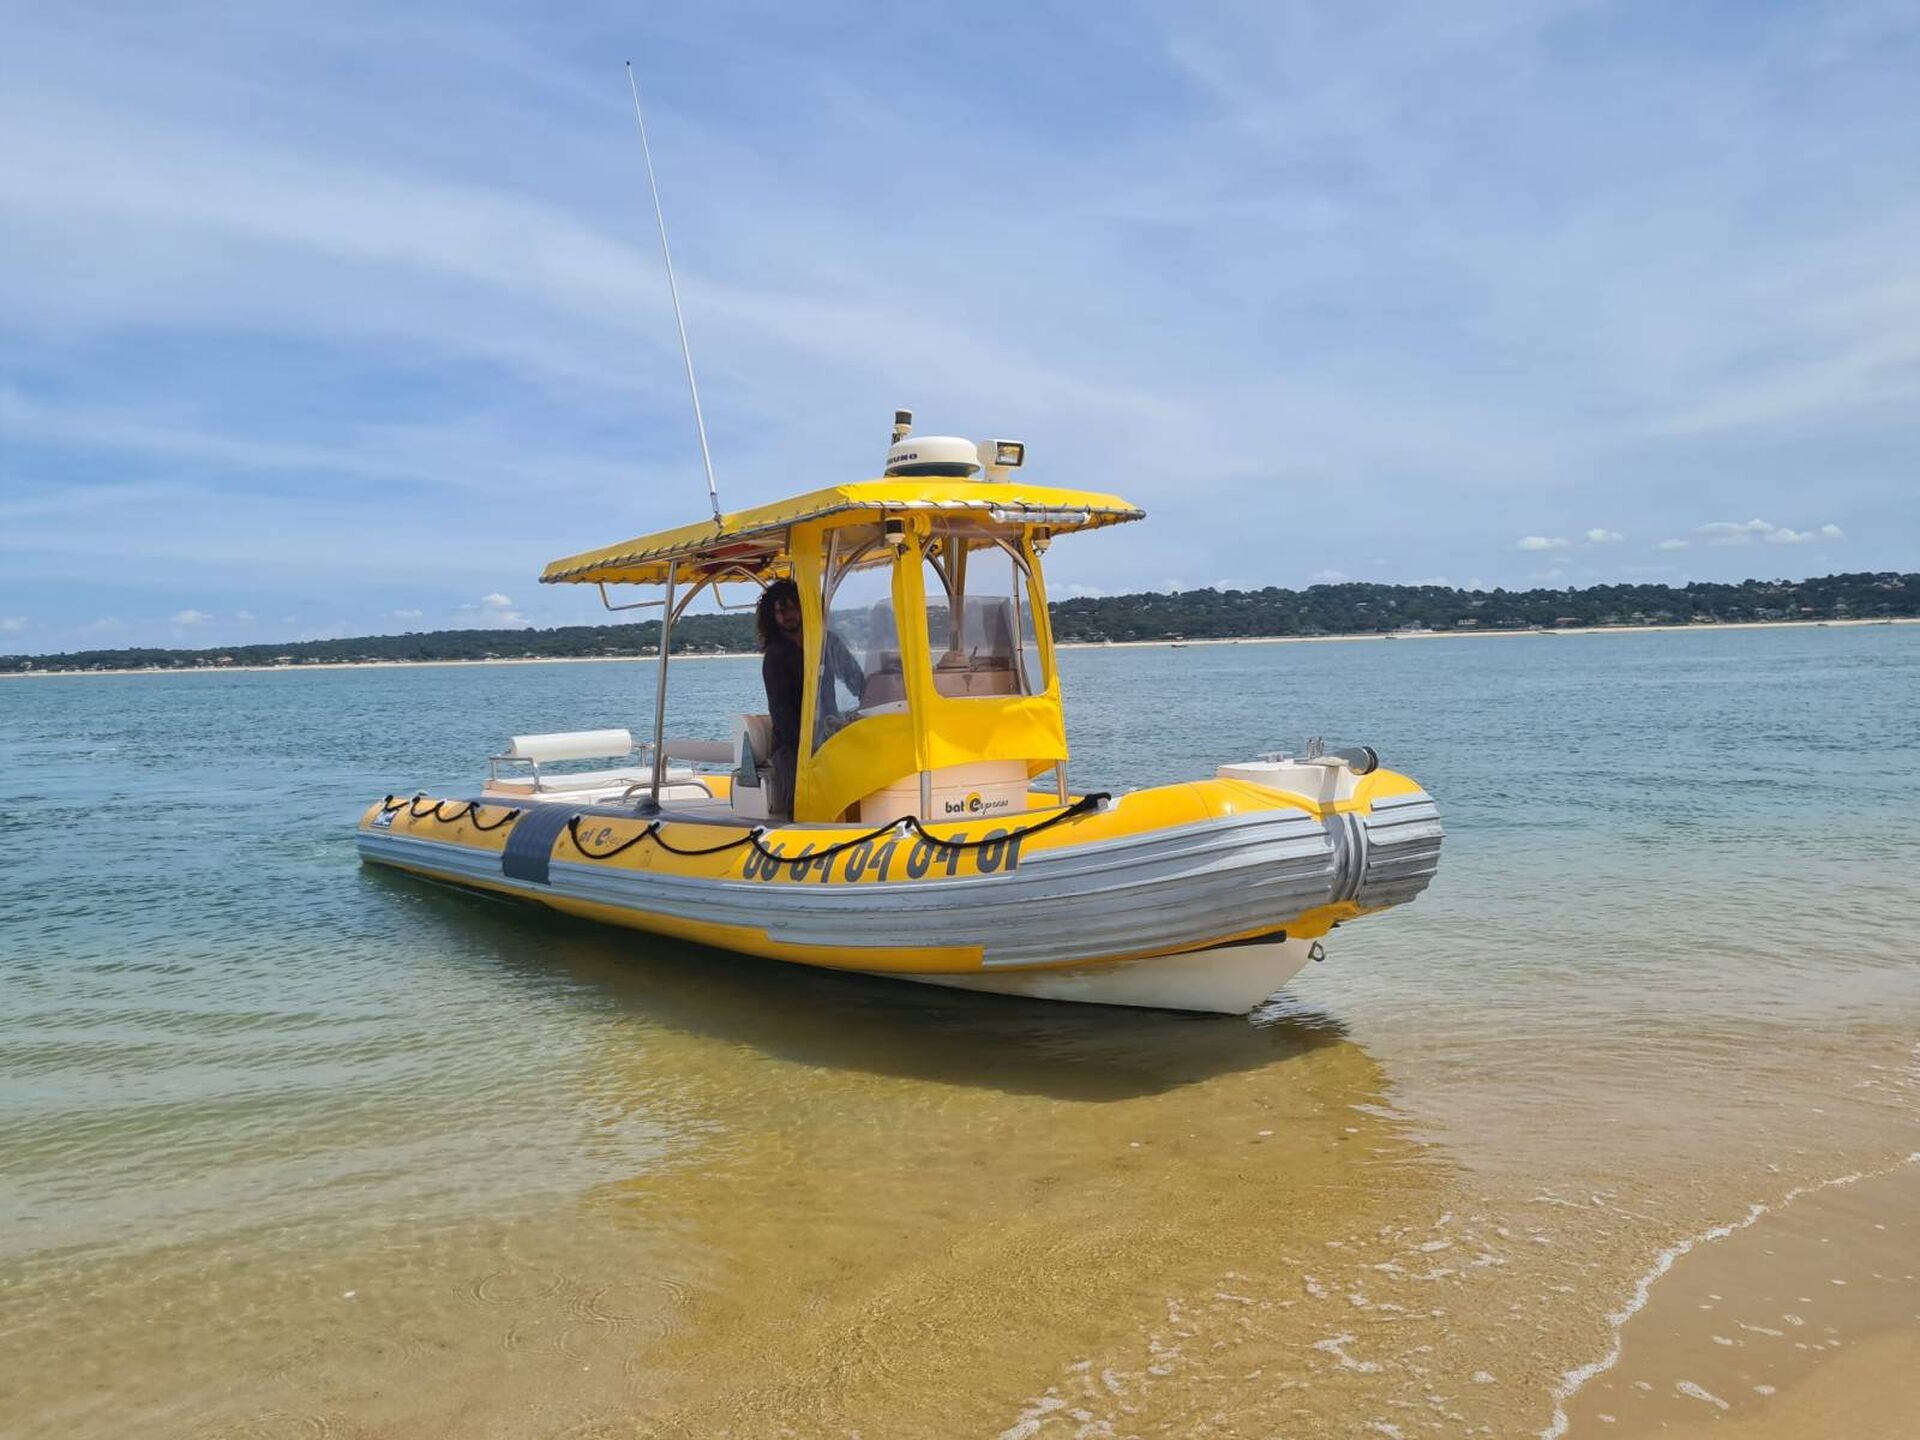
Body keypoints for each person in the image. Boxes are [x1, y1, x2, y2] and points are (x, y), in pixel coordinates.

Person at [755, 579, 865, 818]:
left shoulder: (828, 642)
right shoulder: (775, 656)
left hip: (829, 736)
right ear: (772, 616)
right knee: (798, 792)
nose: (787, 615)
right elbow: (781, 713)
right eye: (780, 610)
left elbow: (856, 679)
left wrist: (871, 704)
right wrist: (811, 745)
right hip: (792, 746)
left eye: (792, 607)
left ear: (806, 607)